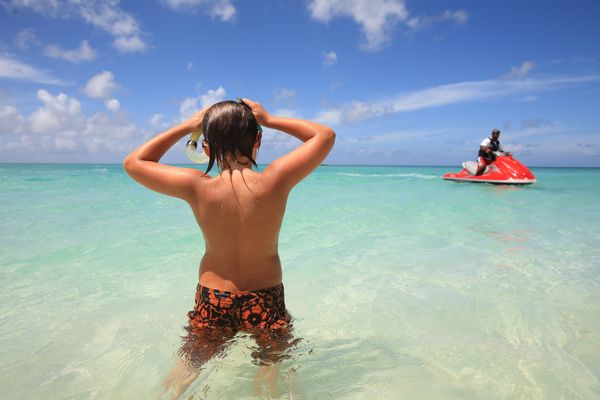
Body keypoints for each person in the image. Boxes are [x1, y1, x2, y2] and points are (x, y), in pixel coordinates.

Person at [123, 99, 335, 398]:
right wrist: (270, 118)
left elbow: (134, 163)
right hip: (266, 299)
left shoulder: (197, 185)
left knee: (187, 368)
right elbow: (324, 136)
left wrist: (187, 127)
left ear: (206, 149)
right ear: (258, 140)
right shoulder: (275, 179)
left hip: (213, 300)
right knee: (272, 372)